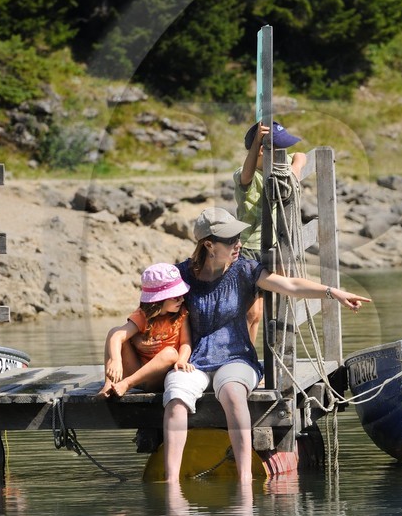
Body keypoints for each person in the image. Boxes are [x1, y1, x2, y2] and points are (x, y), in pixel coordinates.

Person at [159, 206, 369, 484]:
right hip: (192, 359)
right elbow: (150, 309)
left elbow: (291, 285)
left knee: (233, 393)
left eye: (239, 237)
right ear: (209, 244)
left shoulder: (244, 270)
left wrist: (333, 292)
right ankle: (171, 481)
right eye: (231, 240)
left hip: (236, 359)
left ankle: (245, 478)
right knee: (175, 399)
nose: (239, 244)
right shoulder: (182, 274)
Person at [236, 121, 308, 344]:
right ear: (261, 152)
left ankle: (281, 351)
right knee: (253, 313)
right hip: (249, 247)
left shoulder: (280, 165)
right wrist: (258, 139)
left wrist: (295, 169)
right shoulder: (244, 175)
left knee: (284, 296)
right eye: (278, 149)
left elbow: (301, 154)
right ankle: (247, 361)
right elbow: (247, 174)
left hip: (274, 245)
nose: (283, 154)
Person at [100, 263, 194, 398]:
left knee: (170, 354)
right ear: (159, 299)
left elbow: (186, 342)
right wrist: (116, 360)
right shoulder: (142, 315)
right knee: (114, 332)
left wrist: (182, 360)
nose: (181, 299)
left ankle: (127, 383)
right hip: (136, 370)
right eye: (175, 296)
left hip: (159, 377)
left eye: (181, 295)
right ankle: (109, 384)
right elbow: (117, 337)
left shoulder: (181, 314)